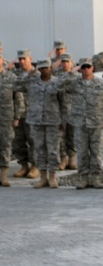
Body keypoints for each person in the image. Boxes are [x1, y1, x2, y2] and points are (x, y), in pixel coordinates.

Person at [58, 57, 103, 189]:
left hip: (96, 123)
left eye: (88, 66)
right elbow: (58, 86)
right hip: (80, 123)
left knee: (96, 152)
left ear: (93, 68)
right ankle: (83, 177)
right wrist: (71, 72)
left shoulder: (102, 83)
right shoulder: (74, 83)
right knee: (82, 152)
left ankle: (96, 177)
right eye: (83, 67)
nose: (85, 69)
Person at [15, 58, 67, 189]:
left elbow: (64, 103)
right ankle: (43, 177)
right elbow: (15, 85)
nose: (44, 70)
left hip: (53, 121)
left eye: (46, 68)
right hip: (36, 121)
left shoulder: (57, 83)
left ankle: (53, 177)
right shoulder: (31, 82)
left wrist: (64, 120)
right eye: (42, 68)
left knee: (53, 149)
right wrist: (28, 75)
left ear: (51, 68)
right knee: (39, 149)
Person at [10, 49, 38, 180]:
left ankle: (35, 166)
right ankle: (24, 165)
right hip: (18, 113)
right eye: (20, 59)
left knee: (33, 140)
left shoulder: (37, 74)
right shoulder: (15, 74)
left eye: (24, 59)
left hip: (33, 113)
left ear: (30, 59)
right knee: (18, 141)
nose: (22, 61)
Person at [0, 51, 24, 187]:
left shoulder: (11, 78)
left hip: (6, 117)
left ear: (2, 60)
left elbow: (19, 99)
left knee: (6, 145)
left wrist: (17, 116)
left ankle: (4, 174)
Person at [53, 53, 77, 171]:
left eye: (68, 62)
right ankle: (63, 158)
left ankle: (72, 158)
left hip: (74, 111)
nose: (65, 64)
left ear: (72, 63)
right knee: (61, 137)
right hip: (60, 111)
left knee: (72, 136)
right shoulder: (56, 76)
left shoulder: (76, 76)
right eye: (63, 62)